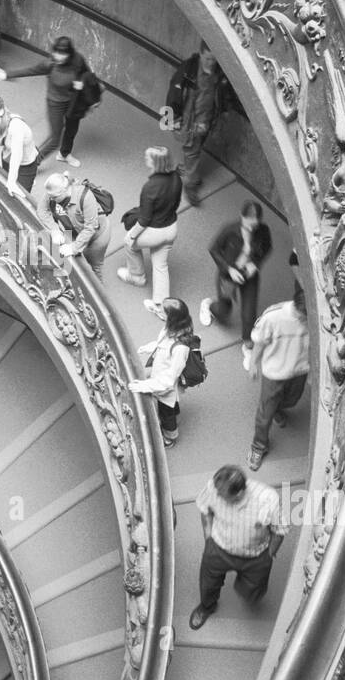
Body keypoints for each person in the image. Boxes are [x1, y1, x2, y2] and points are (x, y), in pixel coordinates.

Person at [189, 464, 285, 630]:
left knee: (253, 590)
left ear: (239, 493)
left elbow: (279, 530)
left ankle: (247, 592)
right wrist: (208, 537)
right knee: (208, 583)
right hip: (218, 549)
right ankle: (207, 606)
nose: (217, 494)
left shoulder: (268, 499)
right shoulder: (214, 487)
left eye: (222, 494)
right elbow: (205, 509)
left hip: (255, 556)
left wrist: (270, 554)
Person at [246, 287, 310, 469]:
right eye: (303, 317)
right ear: (297, 308)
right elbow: (259, 341)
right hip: (274, 373)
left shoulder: (313, 318)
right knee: (265, 413)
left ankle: (278, 409)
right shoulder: (274, 317)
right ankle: (258, 446)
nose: (305, 321)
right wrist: (253, 363)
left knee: (292, 400)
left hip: (299, 370)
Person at [11, 36, 98, 166]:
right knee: (55, 138)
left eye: (63, 53)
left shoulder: (78, 60)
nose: (58, 56)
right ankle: (31, 164)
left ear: (69, 53)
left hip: (74, 102)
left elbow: (88, 75)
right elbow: (30, 70)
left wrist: (82, 84)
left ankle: (64, 154)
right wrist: (7, 74)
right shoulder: (50, 65)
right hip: (55, 103)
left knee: (71, 130)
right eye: (56, 52)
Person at [200, 199, 272, 351]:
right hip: (228, 275)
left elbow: (267, 248)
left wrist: (255, 264)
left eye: (255, 224)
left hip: (249, 274)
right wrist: (229, 269)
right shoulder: (230, 230)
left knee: (249, 313)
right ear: (242, 217)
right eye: (249, 223)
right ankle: (210, 306)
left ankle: (248, 343)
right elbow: (214, 249)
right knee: (224, 311)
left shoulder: (263, 230)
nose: (252, 228)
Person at [117, 146, 183, 312]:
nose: (146, 160)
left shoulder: (150, 186)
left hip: (155, 231)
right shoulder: (176, 177)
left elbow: (144, 219)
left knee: (129, 244)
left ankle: (136, 276)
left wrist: (131, 236)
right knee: (161, 265)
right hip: (171, 228)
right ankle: (160, 305)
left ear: (156, 162)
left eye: (148, 158)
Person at [127, 298, 195, 447]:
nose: (159, 312)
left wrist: (146, 386)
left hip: (165, 386)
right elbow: (162, 344)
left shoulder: (180, 348)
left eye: (162, 312)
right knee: (171, 407)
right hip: (160, 375)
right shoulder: (169, 330)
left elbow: (169, 380)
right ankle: (176, 417)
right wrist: (150, 347)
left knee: (166, 412)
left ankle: (170, 436)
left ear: (172, 318)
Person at [167, 41, 223, 205]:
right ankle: (190, 184)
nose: (210, 64)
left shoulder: (218, 74)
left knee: (194, 149)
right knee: (192, 151)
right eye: (207, 59)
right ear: (201, 54)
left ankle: (188, 172)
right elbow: (174, 95)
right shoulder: (188, 71)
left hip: (207, 120)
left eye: (213, 60)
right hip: (190, 121)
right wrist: (172, 120)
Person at [38, 172, 111, 281]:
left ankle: (98, 288)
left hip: (97, 236)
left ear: (63, 191)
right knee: (78, 261)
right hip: (76, 231)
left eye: (54, 197)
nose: (50, 199)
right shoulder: (52, 193)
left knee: (94, 265)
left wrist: (73, 247)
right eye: (49, 196)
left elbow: (91, 227)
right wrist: (54, 230)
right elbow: (42, 210)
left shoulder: (85, 197)